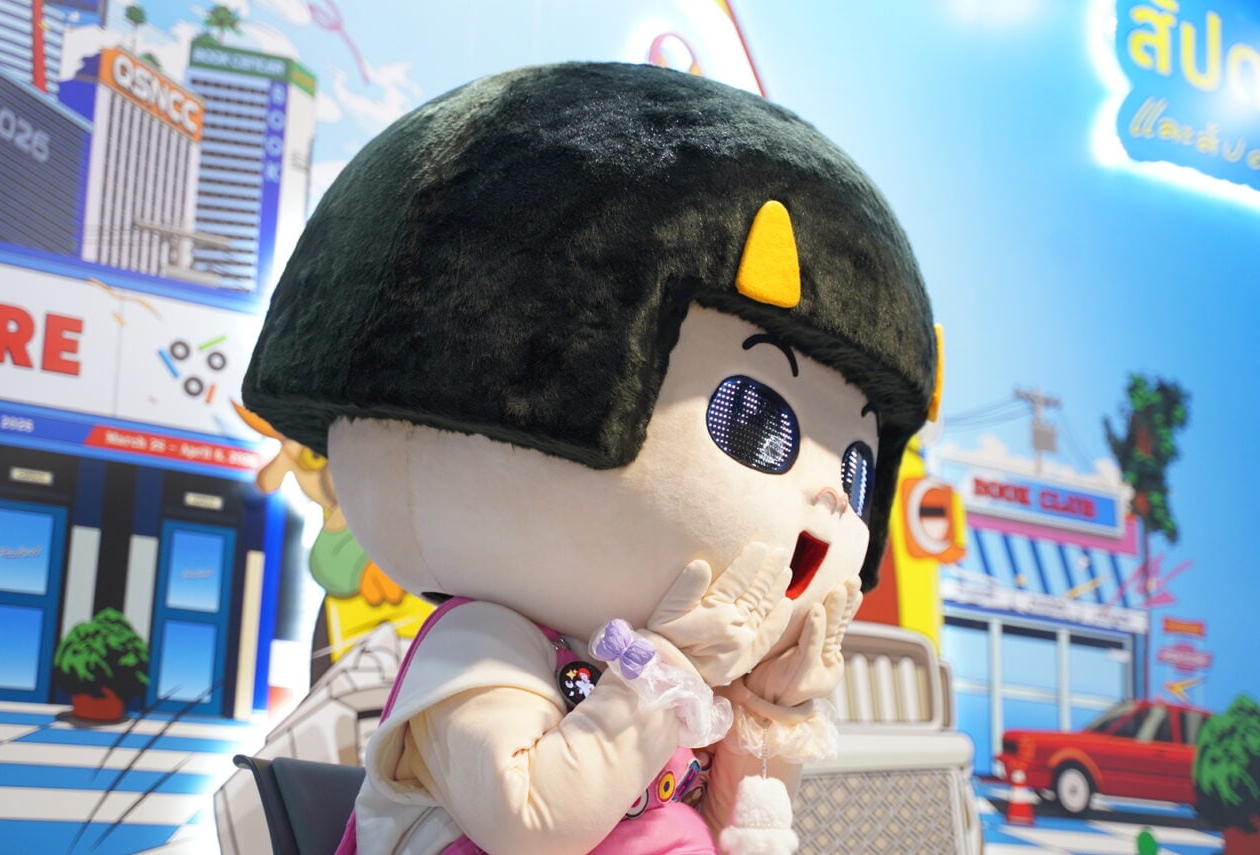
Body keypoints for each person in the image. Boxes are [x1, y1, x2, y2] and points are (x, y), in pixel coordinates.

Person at [244, 61, 938, 855]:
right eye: (751, 419)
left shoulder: (671, 671)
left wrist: (763, 709)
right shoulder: (481, 643)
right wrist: (665, 671)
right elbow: (534, 821)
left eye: (856, 467)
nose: (835, 496)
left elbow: (726, 829)